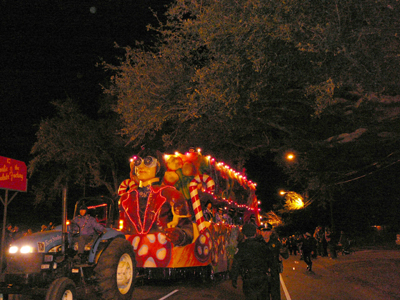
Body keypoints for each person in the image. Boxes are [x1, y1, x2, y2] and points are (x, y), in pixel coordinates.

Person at [119, 153, 193, 246]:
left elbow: (187, 228)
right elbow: (123, 230)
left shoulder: (171, 195)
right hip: (133, 253)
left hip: (164, 253)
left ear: (158, 166)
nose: (141, 166)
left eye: (148, 161)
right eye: (138, 162)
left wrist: (181, 235)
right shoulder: (125, 198)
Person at [231, 223, 272, 300]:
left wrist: (234, 278)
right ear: (255, 234)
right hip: (262, 277)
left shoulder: (242, 247)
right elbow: (270, 260)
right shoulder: (262, 245)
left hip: (248, 278)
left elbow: (236, 263)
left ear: (244, 235)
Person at [259, 223, 289, 300]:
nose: (265, 233)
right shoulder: (257, 243)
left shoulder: (276, 242)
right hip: (261, 273)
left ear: (271, 232)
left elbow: (285, 255)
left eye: (268, 231)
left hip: (273, 273)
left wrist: (284, 251)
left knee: (275, 295)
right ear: (261, 232)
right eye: (264, 231)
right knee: (263, 295)